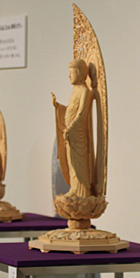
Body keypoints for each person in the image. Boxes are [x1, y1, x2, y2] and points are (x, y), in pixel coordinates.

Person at [52, 58, 94, 198]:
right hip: (70, 133)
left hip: (78, 133)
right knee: (71, 162)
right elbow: (70, 110)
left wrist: (71, 128)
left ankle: (82, 192)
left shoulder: (84, 91)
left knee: (79, 164)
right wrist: (58, 107)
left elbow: (81, 114)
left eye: (72, 72)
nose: (69, 76)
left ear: (80, 73)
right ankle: (74, 189)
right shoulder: (75, 91)